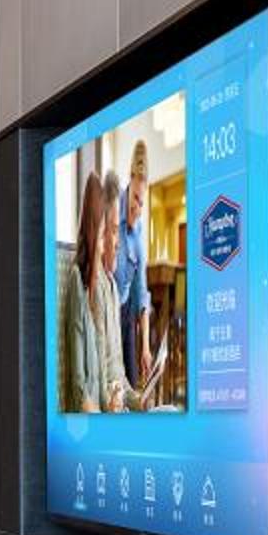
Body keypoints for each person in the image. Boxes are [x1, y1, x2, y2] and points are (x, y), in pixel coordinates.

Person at [59, 167, 125, 413]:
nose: (107, 243)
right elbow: (80, 389)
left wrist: (113, 401)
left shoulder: (99, 287)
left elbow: (104, 379)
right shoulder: (78, 281)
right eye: (104, 233)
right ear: (94, 231)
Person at [116, 139, 153, 395]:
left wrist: (146, 347)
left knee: (132, 384)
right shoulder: (111, 211)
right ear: (129, 181)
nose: (138, 209)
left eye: (143, 203)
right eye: (136, 199)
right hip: (107, 307)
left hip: (127, 311)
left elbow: (141, 292)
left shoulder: (139, 234)